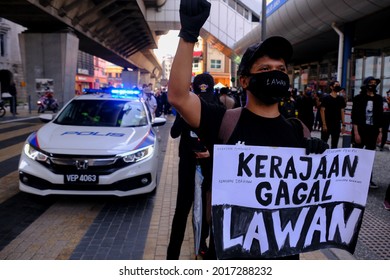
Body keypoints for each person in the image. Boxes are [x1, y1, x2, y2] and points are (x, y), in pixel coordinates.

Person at [168, 0, 328, 260]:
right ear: (244, 81)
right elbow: (178, 96)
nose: (274, 75)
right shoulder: (223, 122)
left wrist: (321, 165)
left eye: (281, 70)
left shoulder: (299, 132)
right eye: (264, 69)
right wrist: (188, 36)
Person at [351, 76, 383, 188]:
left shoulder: (379, 99)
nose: (373, 85)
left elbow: (380, 117)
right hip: (360, 130)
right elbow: (354, 116)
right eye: (371, 82)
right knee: (357, 156)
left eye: (375, 83)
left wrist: (380, 132)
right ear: (365, 84)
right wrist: (356, 133)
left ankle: (368, 179)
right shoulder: (358, 98)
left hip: (373, 131)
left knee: (369, 157)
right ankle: (354, 179)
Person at [320, 81, 347, 148]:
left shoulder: (341, 99)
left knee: (335, 144)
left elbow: (342, 112)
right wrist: (324, 124)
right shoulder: (326, 98)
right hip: (327, 123)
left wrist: (343, 125)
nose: (337, 86)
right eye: (336, 85)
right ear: (331, 87)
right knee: (323, 142)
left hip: (336, 124)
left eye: (338, 85)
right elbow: (322, 111)